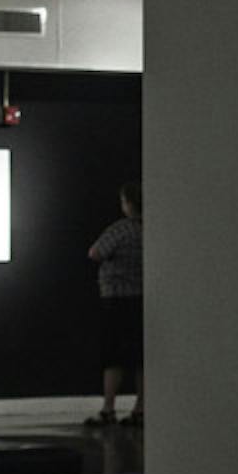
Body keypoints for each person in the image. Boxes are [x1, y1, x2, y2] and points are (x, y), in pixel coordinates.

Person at [86, 181, 144, 426]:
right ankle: (141, 410)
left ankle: (108, 409)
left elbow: (95, 253)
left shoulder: (121, 229)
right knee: (141, 357)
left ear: (129, 203)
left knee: (113, 357)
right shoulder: (154, 228)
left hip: (116, 300)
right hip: (143, 300)